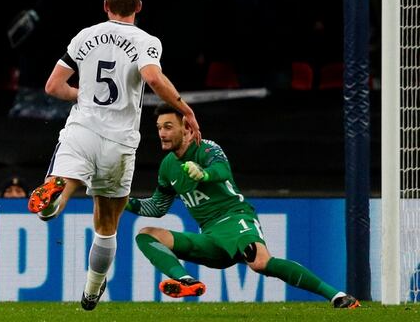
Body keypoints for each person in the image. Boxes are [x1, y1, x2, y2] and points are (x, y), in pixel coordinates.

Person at [28, 0, 199, 311]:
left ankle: (51, 201)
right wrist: (184, 107)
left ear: (105, 5)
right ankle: (91, 293)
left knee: (59, 193)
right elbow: (151, 77)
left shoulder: (85, 36)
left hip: (82, 129)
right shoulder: (146, 41)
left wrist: (86, 95)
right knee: (106, 226)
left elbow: (52, 87)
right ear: (138, 6)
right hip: (119, 143)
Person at [128, 104, 360, 308]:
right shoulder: (168, 166)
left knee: (260, 262)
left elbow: (222, 171)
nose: (162, 133)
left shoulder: (205, 148)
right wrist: (120, 202)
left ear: (187, 128)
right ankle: (187, 281)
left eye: (168, 127)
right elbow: (157, 207)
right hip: (210, 236)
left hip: (235, 219)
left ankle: (337, 296)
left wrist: (204, 174)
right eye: (159, 127)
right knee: (146, 235)